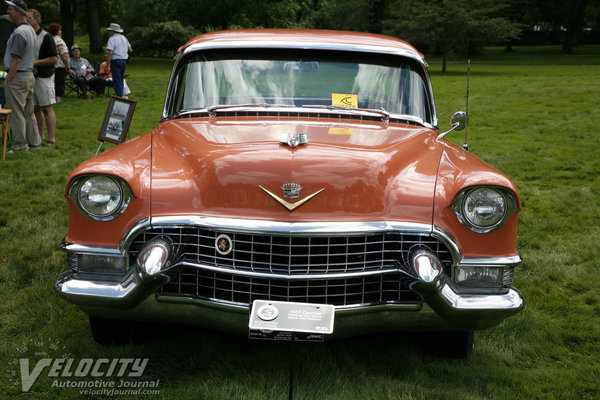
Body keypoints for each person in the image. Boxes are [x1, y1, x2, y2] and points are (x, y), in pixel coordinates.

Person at [3, 0, 40, 153]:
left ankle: (20, 146)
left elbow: (16, 59)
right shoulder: (30, 29)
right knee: (28, 112)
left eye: (10, 9)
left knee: (17, 112)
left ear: (19, 12)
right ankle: (34, 142)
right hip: (29, 75)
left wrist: (9, 78)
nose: (8, 11)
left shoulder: (19, 32)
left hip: (18, 77)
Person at [27, 8, 57, 146]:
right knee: (35, 108)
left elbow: (53, 59)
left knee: (46, 108)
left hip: (44, 77)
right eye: (26, 18)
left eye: (29, 18)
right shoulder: (27, 35)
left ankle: (51, 138)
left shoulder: (46, 36)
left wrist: (35, 62)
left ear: (37, 20)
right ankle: (40, 135)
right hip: (31, 76)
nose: (27, 21)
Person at [105, 23, 131, 98]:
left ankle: (119, 96)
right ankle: (122, 94)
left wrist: (107, 65)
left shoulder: (112, 39)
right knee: (121, 78)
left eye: (110, 31)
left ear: (113, 31)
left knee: (116, 80)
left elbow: (110, 52)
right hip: (124, 60)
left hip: (116, 60)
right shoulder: (124, 38)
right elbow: (130, 49)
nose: (109, 32)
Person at [46, 22, 69, 103]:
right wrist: (67, 65)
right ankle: (57, 99)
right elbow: (64, 54)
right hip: (59, 65)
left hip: (48, 65)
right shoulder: (59, 41)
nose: (61, 31)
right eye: (60, 30)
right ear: (57, 31)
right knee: (59, 83)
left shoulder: (46, 39)